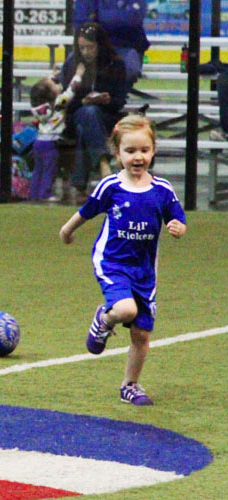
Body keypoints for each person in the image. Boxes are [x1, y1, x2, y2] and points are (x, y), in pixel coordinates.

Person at [59, 114, 186, 406]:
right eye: (130, 151)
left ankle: (130, 385)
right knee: (126, 310)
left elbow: (178, 218)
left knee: (141, 335)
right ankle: (105, 319)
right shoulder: (111, 186)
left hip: (145, 272)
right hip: (113, 263)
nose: (137, 157)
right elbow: (87, 212)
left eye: (144, 150)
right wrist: (67, 231)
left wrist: (179, 228)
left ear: (153, 150)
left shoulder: (162, 190)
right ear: (117, 153)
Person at [58, 22, 127, 203]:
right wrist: (83, 101)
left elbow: (120, 101)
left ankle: (80, 186)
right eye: (82, 48)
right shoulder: (72, 65)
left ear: (100, 45)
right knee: (88, 113)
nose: (86, 52)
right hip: (76, 116)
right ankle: (103, 164)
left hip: (106, 117)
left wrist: (107, 100)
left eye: (90, 47)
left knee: (87, 124)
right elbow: (65, 103)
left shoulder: (115, 64)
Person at [28, 65, 84, 202]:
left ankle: (34, 193)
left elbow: (44, 88)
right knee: (49, 169)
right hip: (50, 143)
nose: (57, 84)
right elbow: (71, 90)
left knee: (38, 169)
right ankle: (45, 193)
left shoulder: (38, 107)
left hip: (39, 141)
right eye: (54, 84)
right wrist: (78, 75)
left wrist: (53, 75)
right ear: (51, 93)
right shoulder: (58, 104)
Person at [72, 0, 148, 92]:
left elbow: (133, 19)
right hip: (93, 48)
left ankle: (111, 97)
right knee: (70, 65)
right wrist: (115, 19)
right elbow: (79, 21)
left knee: (125, 69)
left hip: (125, 48)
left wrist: (97, 19)